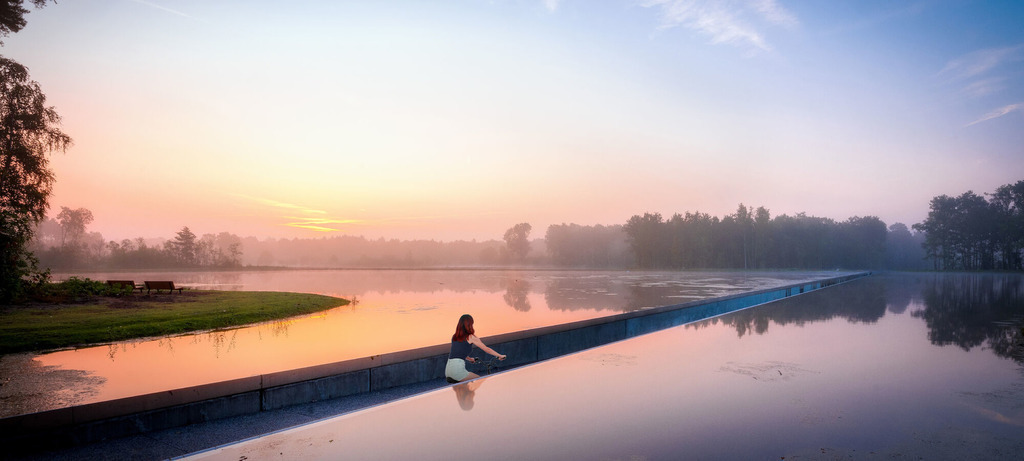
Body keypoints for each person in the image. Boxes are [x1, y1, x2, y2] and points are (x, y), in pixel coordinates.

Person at [445, 314, 506, 383]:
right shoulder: (470, 337)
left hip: (448, 370)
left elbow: (458, 353)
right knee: (479, 380)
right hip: (457, 369)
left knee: (466, 390)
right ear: (470, 325)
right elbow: (486, 349)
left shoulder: (455, 336)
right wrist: (500, 356)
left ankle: (468, 393)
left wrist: (470, 359)